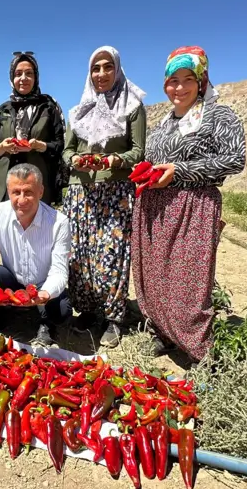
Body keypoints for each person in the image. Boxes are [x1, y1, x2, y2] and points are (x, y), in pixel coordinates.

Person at [131, 46, 246, 362]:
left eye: (186, 80)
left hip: (192, 207)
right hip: (155, 207)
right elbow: (155, 160)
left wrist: (179, 172)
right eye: (172, 81)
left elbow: (235, 159)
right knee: (153, 278)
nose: (178, 88)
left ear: (201, 80)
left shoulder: (218, 114)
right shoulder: (167, 120)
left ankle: (200, 351)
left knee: (187, 284)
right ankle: (164, 334)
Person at [61, 45, 147, 348]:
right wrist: (75, 161)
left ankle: (112, 318)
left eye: (107, 67)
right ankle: (86, 310)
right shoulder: (80, 109)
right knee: (81, 254)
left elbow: (138, 150)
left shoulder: (132, 106)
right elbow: (68, 149)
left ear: (117, 69)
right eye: (96, 68)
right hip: (81, 191)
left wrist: (114, 161)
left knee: (112, 254)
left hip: (115, 192)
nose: (101, 74)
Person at [0, 163, 72, 347]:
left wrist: (45, 293)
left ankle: (46, 323)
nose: (22, 199)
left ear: (41, 191)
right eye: (16, 192)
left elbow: (59, 271)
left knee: (62, 311)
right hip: (13, 280)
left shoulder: (59, 222)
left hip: (42, 283)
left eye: (28, 192)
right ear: (8, 191)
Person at [0, 52, 66, 205]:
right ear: (11, 78)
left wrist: (39, 146)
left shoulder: (48, 107)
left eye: (29, 73)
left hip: (37, 189)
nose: (23, 78)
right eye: (18, 74)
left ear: (36, 77)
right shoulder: (4, 109)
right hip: (5, 191)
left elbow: (59, 146)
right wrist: (3, 147)